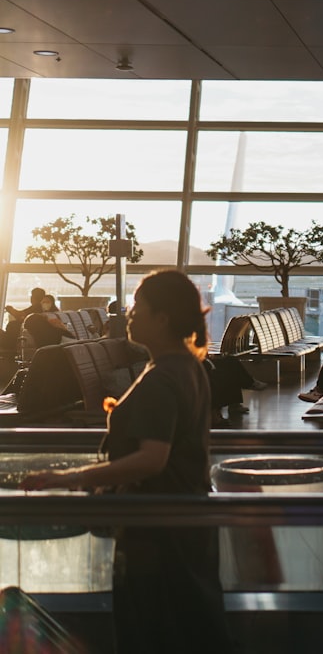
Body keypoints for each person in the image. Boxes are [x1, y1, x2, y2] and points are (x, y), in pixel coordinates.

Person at [19, 270, 234, 654]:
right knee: (187, 630)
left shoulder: (164, 378)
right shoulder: (187, 368)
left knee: (151, 632)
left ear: (162, 318)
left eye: (138, 308)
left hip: (157, 534)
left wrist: (69, 478)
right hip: (186, 529)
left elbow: (151, 460)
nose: (129, 315)